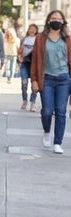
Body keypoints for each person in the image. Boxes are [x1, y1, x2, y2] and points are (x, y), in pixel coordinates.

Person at [30, 10, 71, 154]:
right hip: (46, 78)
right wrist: (34, 80)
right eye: (53, 18)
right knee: (47, 111)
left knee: (61, 111)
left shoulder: (67, 39)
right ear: (48, 21)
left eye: (59, 18)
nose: (56, 20)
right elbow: (35, 60)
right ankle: (46, 131)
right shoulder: (41, 38)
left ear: (63, 22)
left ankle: (57, 143)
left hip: (64, 79)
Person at [18, 23, 40, 112]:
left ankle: (32, 102)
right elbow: (20, 51)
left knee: (34, 83)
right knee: (24, 83)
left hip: (34, 64)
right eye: (31, 28)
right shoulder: (24, 39)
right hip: (25, 64)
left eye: (34, 29)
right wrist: (19, 57)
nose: (32, 30)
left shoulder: (38, 39)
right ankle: (24, 100)